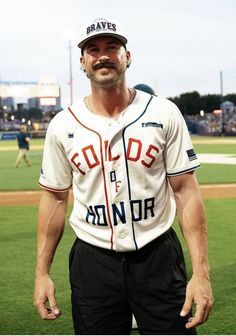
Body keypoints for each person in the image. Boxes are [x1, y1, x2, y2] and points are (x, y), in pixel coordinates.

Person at [34, 17, 213, 335]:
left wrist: (201, 272)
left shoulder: (163, 112)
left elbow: (186, 190)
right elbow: (54, 198)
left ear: (128, 56)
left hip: (157, 255)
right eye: (94, 49)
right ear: (83, 63)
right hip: (93, 260)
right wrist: (41, 273)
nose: (103, 55)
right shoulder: (63, 124)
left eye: (112, 47)